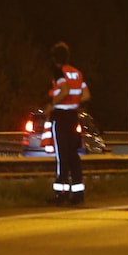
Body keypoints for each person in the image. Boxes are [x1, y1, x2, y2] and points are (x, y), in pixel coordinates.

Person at [48, 42, 91, 205]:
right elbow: (86, 95)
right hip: (74, 116)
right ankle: (78, 194)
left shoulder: (59, 71)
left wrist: (52, 104)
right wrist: (74, 102)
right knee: (74, 156)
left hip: (61, 116)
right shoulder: (77, 73)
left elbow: (64, 90)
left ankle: (61, 194)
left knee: (62, 156)